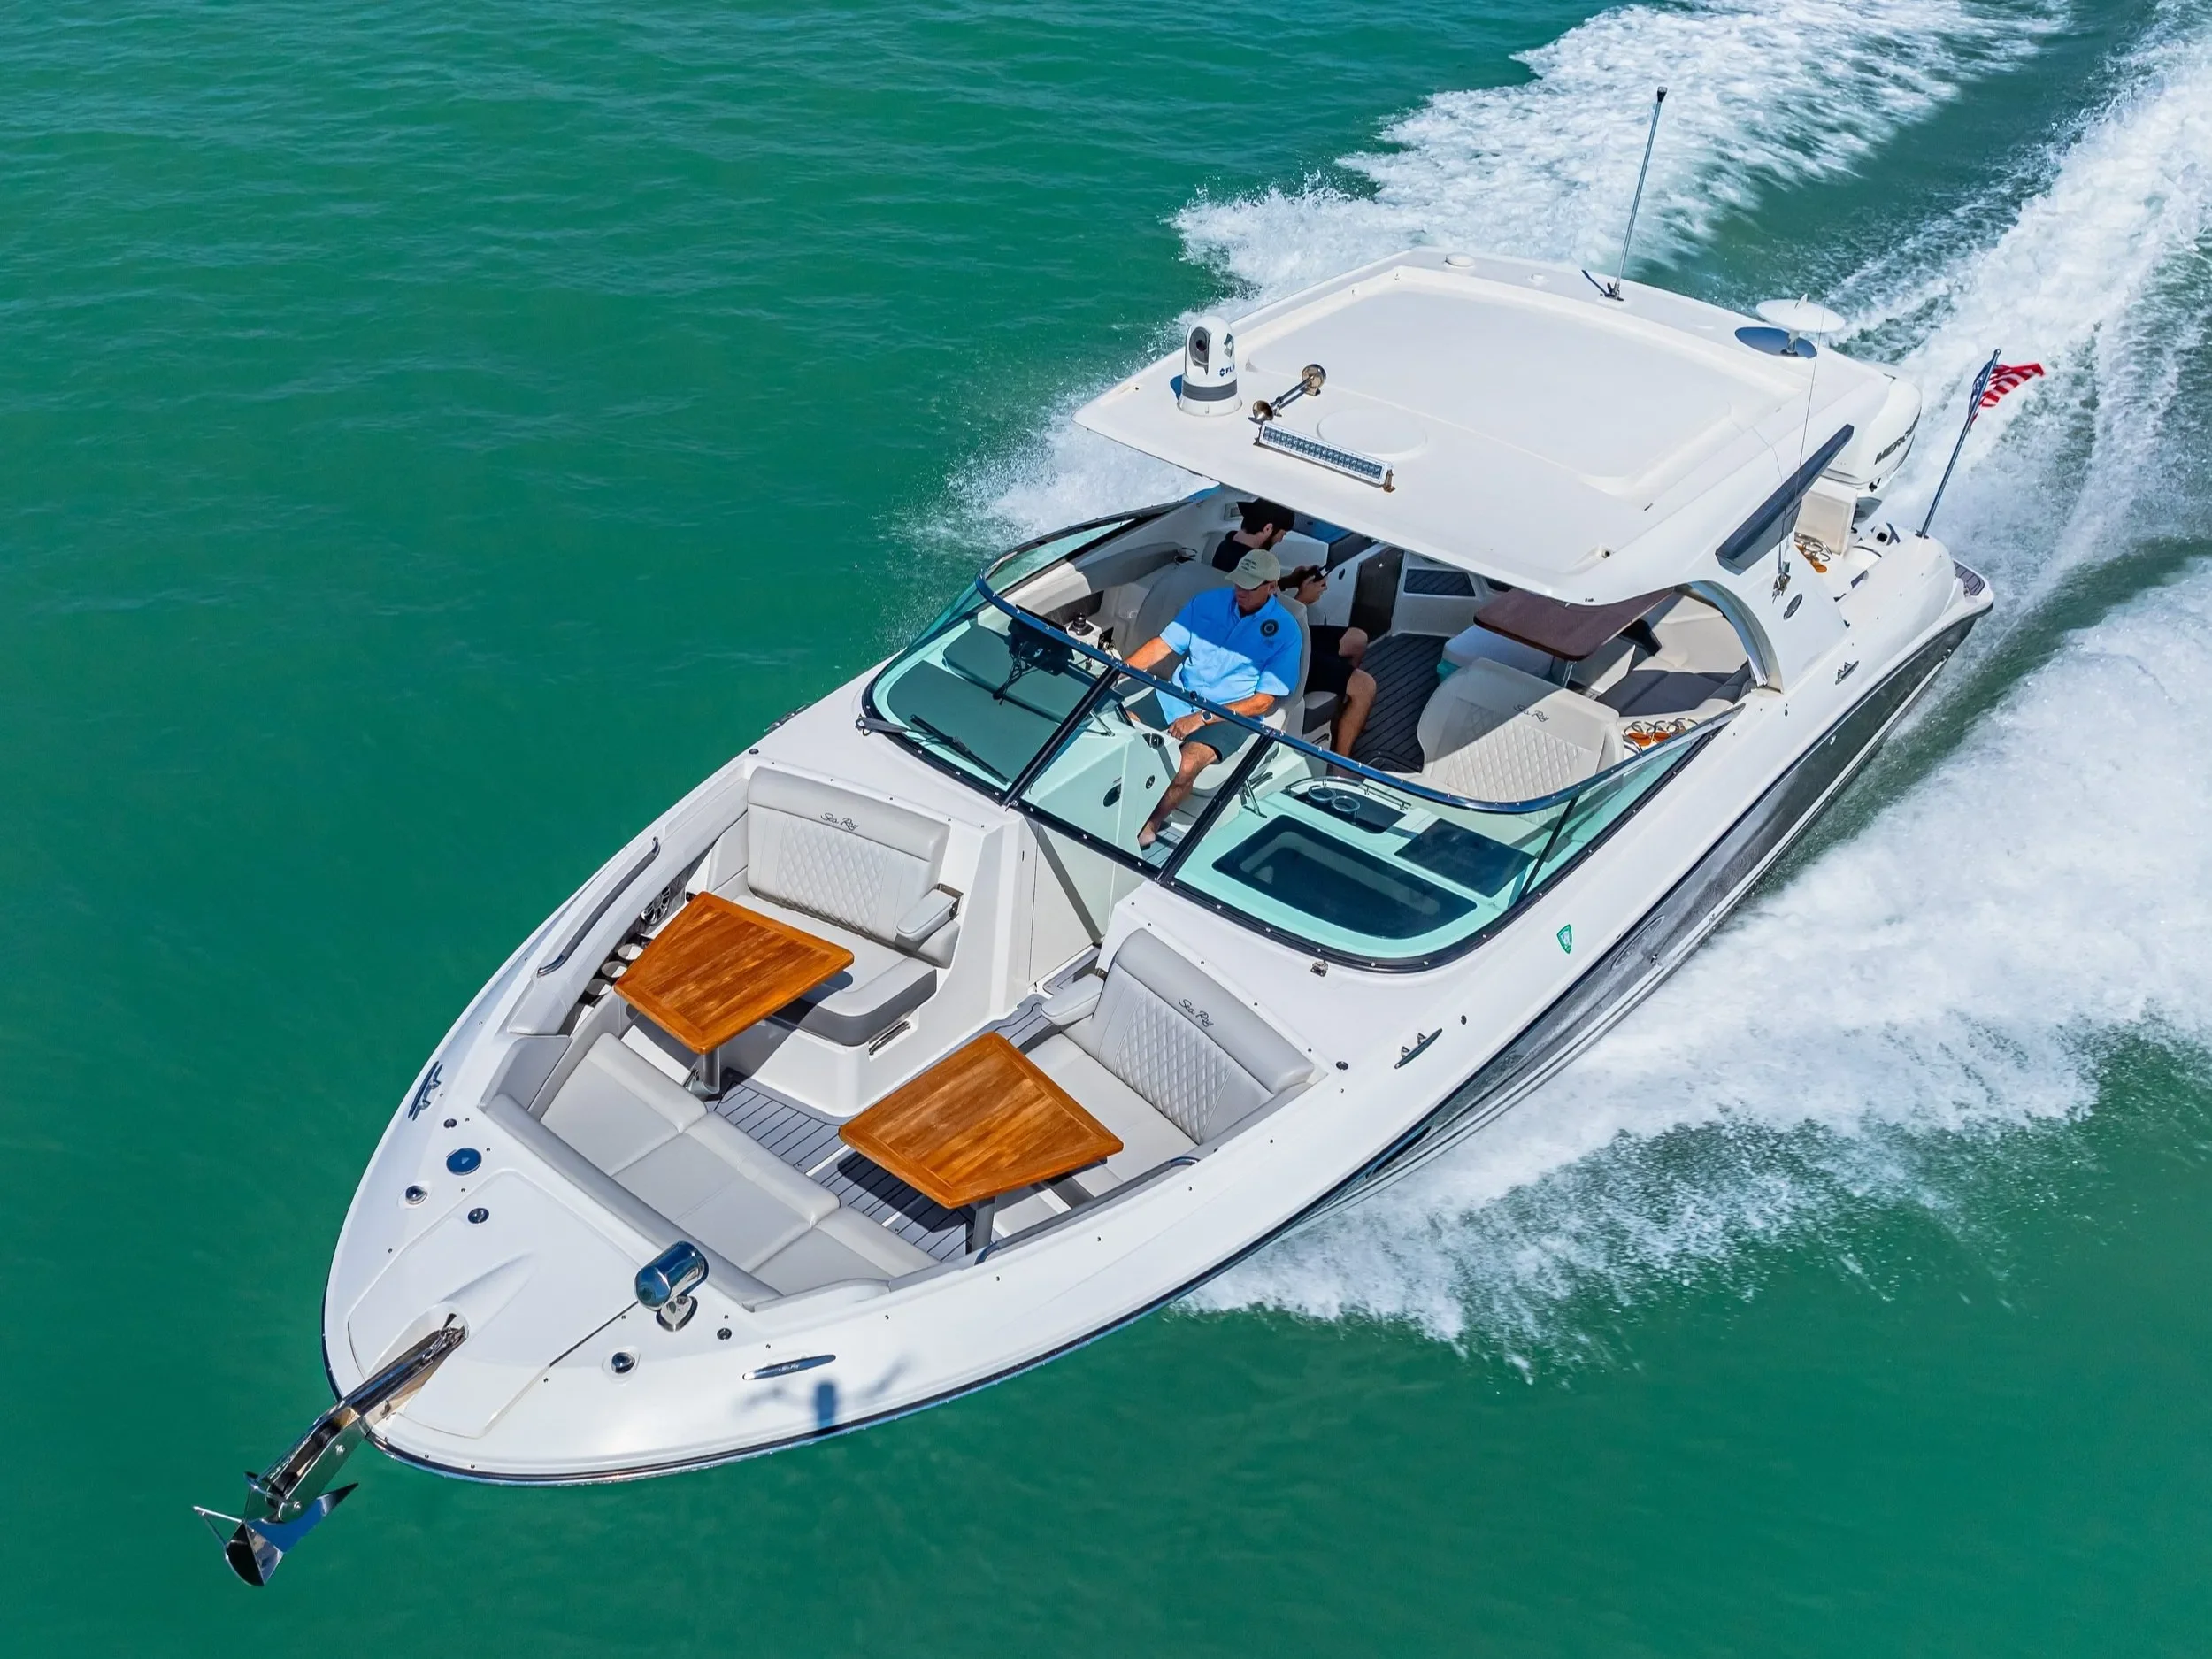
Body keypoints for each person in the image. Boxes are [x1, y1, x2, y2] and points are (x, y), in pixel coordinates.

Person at [1121, 545, 1302, 849]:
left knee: (1186, 765)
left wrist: (1201, 718)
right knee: (1119, 729)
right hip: (1176, 694)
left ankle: (1150, 824)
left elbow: (1263, 702)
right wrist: (1116, 672)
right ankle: (1117, 804)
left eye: (1249, 586)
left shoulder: (1287, 632)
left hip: (1232, 714)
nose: (1240, 591)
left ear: (1271, 588)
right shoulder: (1207, 603)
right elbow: (1161, 647)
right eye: (1238, 582)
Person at [1280, 565, 1378, 757]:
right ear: (1267, 531)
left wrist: (1291, 580)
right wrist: (1301, 601)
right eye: (1281, 532)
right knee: (1365, 685)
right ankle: (1340, 763)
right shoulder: (1239, 570)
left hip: (1294, 635)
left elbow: (1269, 590)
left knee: (1358, 639)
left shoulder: (1247, 560)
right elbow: (1271, 633)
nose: (1282, 536)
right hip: (1285, 653)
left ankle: (1345, 715)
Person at [1210, 497, 1295, 571]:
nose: (1280, 540)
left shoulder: (1224, 546)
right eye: (1283, 534)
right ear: (1268, 528)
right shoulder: (1253, 567)